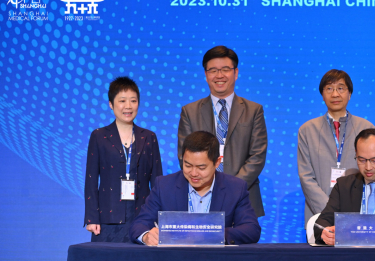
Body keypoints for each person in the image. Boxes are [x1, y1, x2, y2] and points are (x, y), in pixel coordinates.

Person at [177, 45, 267, 217]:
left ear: (236, 73)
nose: (219, 75)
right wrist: (209, 186)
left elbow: (257, 156)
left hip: (244, 197)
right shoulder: (189, 111)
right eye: (213, 70)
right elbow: (184, 156)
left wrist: (231, 189)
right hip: (200, 196)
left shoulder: (254, 110)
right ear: (205, 75)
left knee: (242, 242)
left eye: (225, 69)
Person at [131, 131, 261, 245]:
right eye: (187, 165)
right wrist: (147, 236)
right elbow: (139, 224)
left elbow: (251, 229)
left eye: (201, 168)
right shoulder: (164, 186)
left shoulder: (235, 188)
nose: (193, 173)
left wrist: (212, 234)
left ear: (217, 162)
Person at [84, 76, 162, 242]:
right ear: (111, 104)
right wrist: (91, 218)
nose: (128, 106)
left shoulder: (149, 137)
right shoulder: (99, 136)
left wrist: (159, 218)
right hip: (108, 219)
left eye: (133, 101)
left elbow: (157, 181)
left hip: (143, 219)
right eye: (122, 101)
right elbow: (91, 179)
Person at [298, 69, 375, 228]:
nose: (335, 94)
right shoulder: (307, 130)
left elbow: (373, 173)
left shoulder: (366, 128)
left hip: (358, 216)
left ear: (350, 94)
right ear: (322, 94)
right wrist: (329, 211)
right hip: (318, 216)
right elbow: (306, 176)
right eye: (329, 88)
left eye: (341, 88)